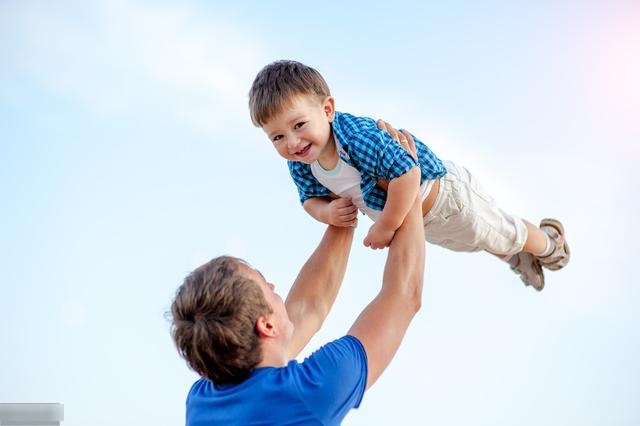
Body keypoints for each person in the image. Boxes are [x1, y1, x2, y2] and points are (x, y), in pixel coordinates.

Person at [170, 125, 425, 425]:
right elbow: (403, 296)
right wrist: (408, 180)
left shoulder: (203, 402)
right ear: (265, 324)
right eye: (267, 287)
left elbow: (307, 308)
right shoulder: (309, 393)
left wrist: (340, 203)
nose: (275, 287)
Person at [248, 59, 570, 291]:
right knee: (475, 242)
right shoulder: (301, 163)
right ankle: (518, 258)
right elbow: (308, 199)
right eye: (277, 137)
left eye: (299, 125)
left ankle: (548, 245)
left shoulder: (356, 138)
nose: (292, 143)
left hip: (446, 198)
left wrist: (386, 226)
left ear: (327, 110)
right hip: (423, 222)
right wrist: (326, 211)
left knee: (499, 230)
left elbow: (407, 173)